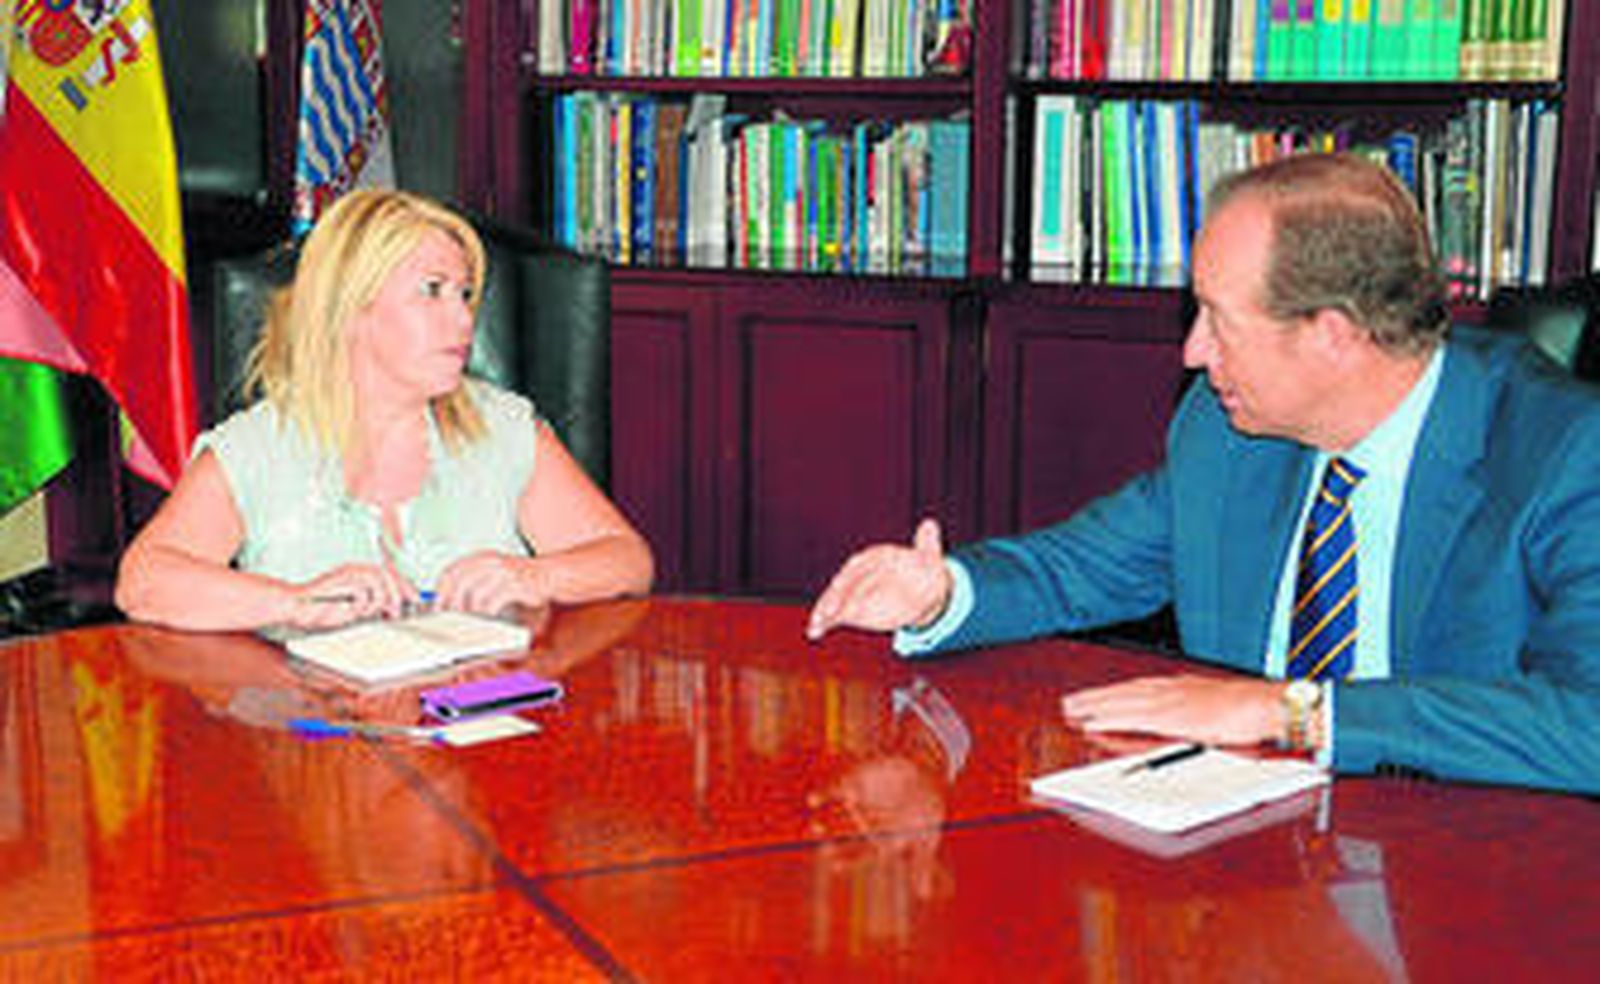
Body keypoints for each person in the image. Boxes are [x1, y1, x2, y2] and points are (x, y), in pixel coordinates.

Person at [808, 153, 1600, 794]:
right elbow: (1083, 567)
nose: (1192, 353)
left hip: (1471, 890)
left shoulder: (1565, 456)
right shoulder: (1229, 434)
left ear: (1332, 334)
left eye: (1218, 318)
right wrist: (945, 591)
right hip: (1248, 862)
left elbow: (1588, 725)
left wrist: (1296, 714)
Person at [117, 189, 652, 632]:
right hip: (316, 740)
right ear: (349, 308)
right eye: (433, 292)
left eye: (465, 295)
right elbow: (145, 582)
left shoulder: (505, 428)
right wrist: (293, 602)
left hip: (484, 733)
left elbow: (627, 560)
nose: (464, 321)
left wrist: (535, 578)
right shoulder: (257, 447)